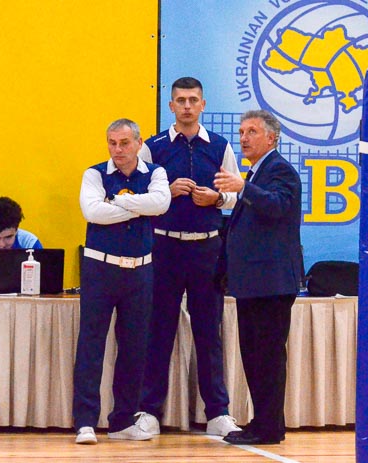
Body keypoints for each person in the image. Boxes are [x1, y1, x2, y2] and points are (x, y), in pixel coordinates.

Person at [135, 77, 241, 437]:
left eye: (193, 100)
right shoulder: (154, 147)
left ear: (203, 104)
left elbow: (236, 196)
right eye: (180, 100)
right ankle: (149, 411)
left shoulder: (221, 147)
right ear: (171, 106)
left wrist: (216, 199)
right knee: (158, 329)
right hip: (164, 247)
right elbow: (137, 196)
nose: (186, 106)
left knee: (209, 331)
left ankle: (218, 413)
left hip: (208, 248)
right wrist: (167, 193)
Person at [73, 118, 170, 445]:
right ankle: (85, 421)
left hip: (141, 271)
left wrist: (118, 201)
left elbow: (161, 203)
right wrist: (139, 208)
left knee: (134, 347)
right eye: (112, 143)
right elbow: (92, 212)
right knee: (91, 345)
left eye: (124, 143)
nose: (118, 150)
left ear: (139, 143)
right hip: (100, 269)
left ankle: (122, 420)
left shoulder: (155, 173)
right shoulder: (94, 174)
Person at [213, 109, 302, 445]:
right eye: (241, 132)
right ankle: (263, 423)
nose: (244, 138)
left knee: (266, 357)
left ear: (271, 137)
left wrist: (243, 187)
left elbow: (277, 206)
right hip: (253, 284)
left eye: (252, 131)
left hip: (272, 284)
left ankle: (268, 428)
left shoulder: (280, 171)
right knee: (254, 356)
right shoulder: (256, 174)